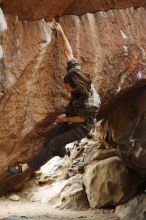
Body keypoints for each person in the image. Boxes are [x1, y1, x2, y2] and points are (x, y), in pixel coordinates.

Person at [8, 22, 101, 175]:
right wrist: (61, 30)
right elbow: (69, 53)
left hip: (80, 127)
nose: (65, 88)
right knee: (49, 141)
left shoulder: (92, 102)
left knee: (54, 142)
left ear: (75, 87)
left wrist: (64, 119)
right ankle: (62, 152)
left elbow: (82, 119)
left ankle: (24, 168)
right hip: (70, 117)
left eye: (67, 87)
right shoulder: (75, 74)